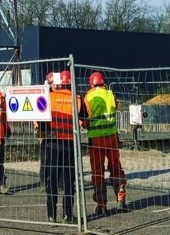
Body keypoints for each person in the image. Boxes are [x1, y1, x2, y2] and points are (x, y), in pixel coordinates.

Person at [44, 69, 84, 225]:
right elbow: (85, 119)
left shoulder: (47, 98)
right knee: (69, 182)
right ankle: (68, 215)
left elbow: (40, 120)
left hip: (51, 143)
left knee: (52, 180)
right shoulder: (77, 98)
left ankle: (51, 216)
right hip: (69, 144)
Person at [84, 71, 127, 216]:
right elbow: (116, 106)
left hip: (96, 139)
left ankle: (101, 205)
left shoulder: (88, 97)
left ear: (91, 84)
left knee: (97, 170)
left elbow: (84, 120)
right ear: (103, 82)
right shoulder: (110, 94)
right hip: (112, 137)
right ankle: (121, 199)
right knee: (115, 167)